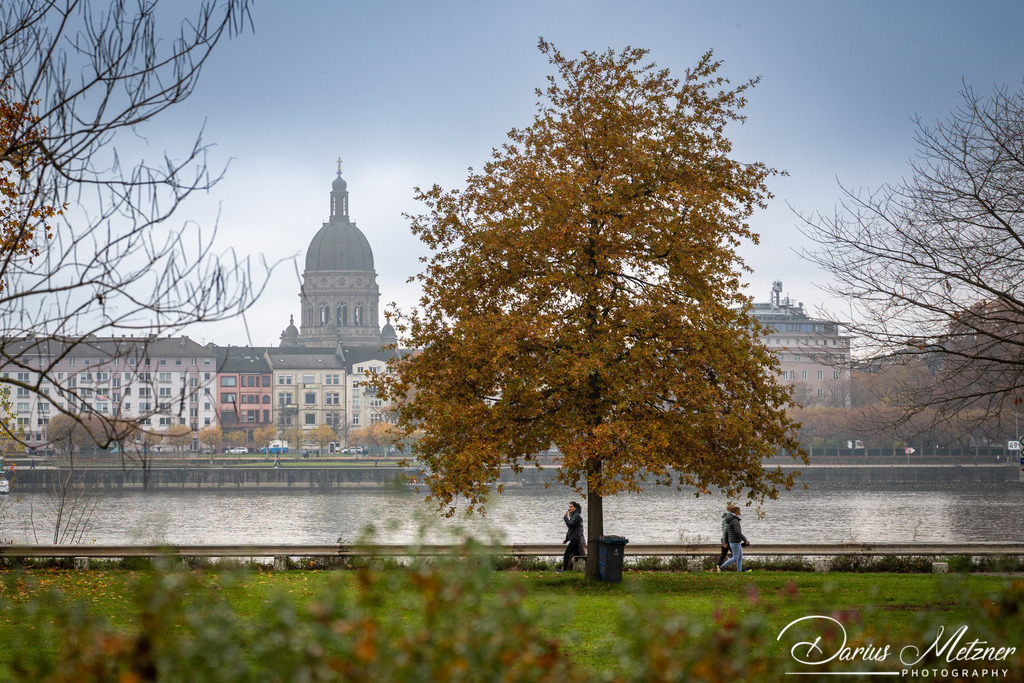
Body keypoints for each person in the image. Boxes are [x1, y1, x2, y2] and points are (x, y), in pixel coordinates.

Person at [718, 506, 750, 572]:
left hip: (733, 541)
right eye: (739, 511)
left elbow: (726, 532)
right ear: (736, 512)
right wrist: (745, 540)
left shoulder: (729, 520)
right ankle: (722, 567)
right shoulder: (735, 520)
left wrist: (726, 541)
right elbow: (738, 532)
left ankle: (739, 570)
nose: (740, 513)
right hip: (735, 541)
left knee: (740, 557)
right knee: (735, 557)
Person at [559, 501, 584, 572]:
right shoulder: (574, 515)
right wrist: (566, 540)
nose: (569, 508)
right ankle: (580, 570)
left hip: (575, 538)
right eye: (569, 507)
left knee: (567, 553)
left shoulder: (576, 515)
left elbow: (570, 524)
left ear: (575, 508)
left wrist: (565, 518)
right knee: (577, 555)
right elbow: (570, 530)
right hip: (574, 538)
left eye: (571, 507)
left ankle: (564, 569)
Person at [714, 504, 736, 571]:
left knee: (724, 554)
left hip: (726, 538)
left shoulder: (726, 517)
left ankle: (718, 566)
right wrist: (725, 541)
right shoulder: (728, 518)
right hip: (728, 539)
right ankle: (739, 568)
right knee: (735, 554)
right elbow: (725, 530)